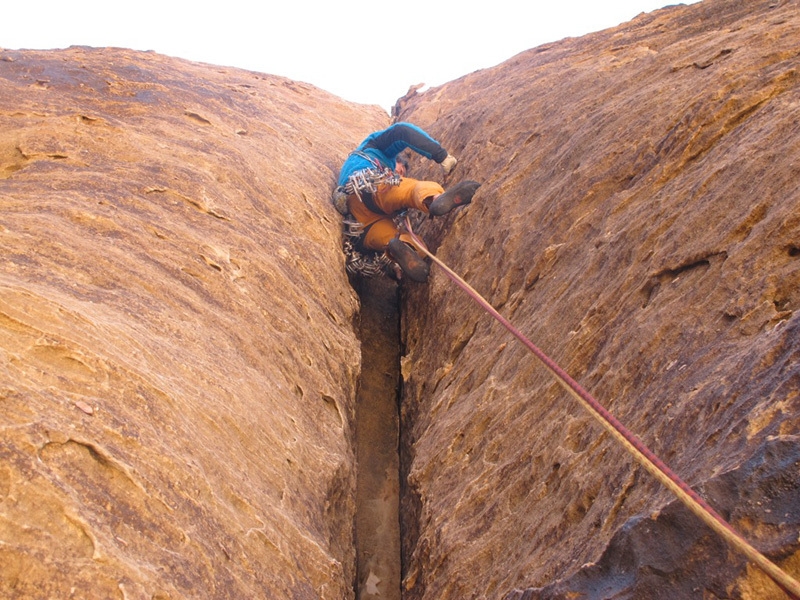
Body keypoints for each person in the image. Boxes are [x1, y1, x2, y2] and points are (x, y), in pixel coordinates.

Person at [336, 122, 480, 282]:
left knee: (403, 241)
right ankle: (435, 198)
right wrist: (442, 156)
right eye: (400, 170)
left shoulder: (357, 163)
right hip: (369, 186)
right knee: (410, 190)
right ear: (395, 160)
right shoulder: (375, 149)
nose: (400, 173)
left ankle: (404, 250)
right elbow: (402, 131)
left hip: (362, 227)